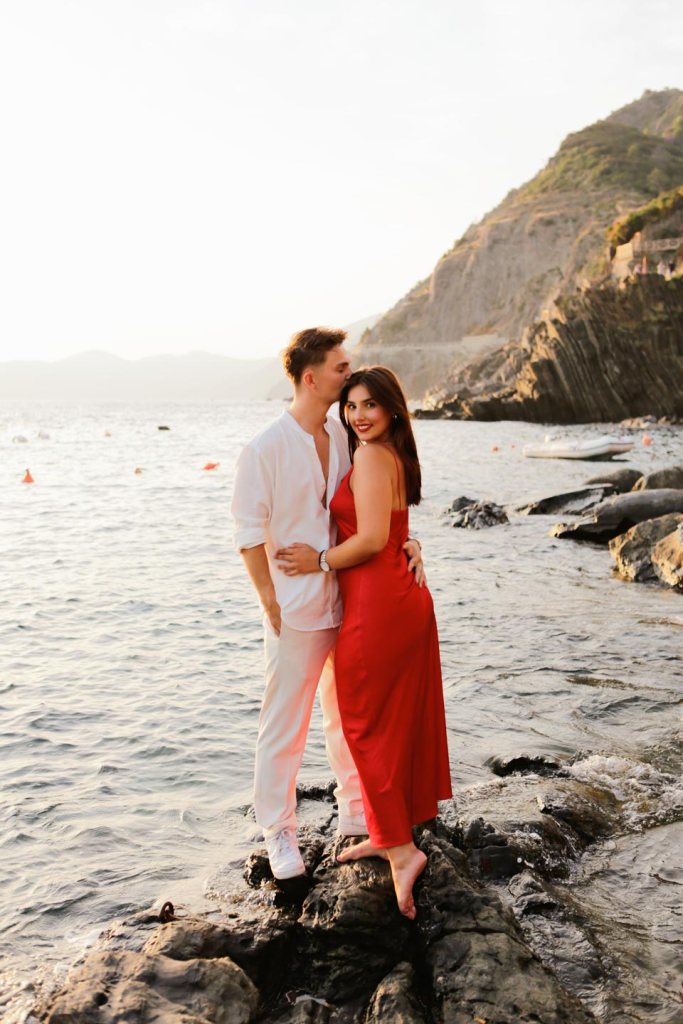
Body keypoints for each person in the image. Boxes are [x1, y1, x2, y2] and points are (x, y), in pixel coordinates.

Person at [231, 331, 424, 881]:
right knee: (285, 723)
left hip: (352, 599)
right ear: (312, 377)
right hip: (294, 608)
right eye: (341, 368)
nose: (349, 373)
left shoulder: (345, 432)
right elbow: (248, 533)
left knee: (347, 715)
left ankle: (357, 813)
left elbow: (375, 507)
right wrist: (269, 599)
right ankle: (279, 831)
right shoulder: (264, 448)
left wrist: (409, 541)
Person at [276, 366, 452, 919]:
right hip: (392, 600)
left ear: (393, 407)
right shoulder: (387, 454)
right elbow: (393, 528)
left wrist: (318, 560)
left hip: (381, 606)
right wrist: (412, 542)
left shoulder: (374, 455)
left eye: (369, 405)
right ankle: (388, 832)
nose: (358, 416)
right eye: (350, 406)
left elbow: (374, 538)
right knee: (385, 723)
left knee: (362, 719)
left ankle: (401, 850)